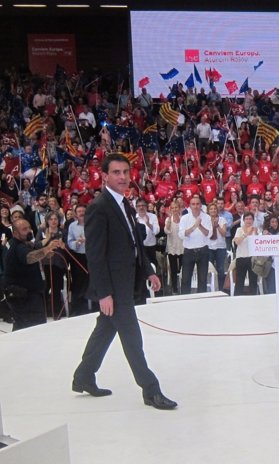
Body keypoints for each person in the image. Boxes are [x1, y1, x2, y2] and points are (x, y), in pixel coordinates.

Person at [72, 154, 176, 410]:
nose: (122, 177)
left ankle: (83, 376)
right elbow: (95, 255)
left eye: (125, 172)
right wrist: (104, 293)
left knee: (105, 329)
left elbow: (134, 244)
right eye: (116, 172)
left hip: (127, 281)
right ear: (105, 176)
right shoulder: (99, 206)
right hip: (113, 288)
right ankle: (151, 390)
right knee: (131, 336)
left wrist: (148, 271)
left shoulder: (124, 203)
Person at [4, 218, 63, 330]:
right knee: (29, 327)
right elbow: (29, 257)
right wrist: (47, 249)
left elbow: (33, 254)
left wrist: (45, 254)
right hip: (23, 296)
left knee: (29, 326)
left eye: (29, 228)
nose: (29, 231)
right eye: (24, 229)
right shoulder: (17, 246)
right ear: (15, 233)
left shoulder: (26, 244)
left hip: (30, 294)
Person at [36, 211, 67, 319]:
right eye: (51, 219)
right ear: (47, 221)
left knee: (56, 288)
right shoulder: (42, 231)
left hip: (59, 263)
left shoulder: (62, 231)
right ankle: (44, 311)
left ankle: (57, 311)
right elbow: (36, 245)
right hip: (46, 263)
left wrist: (63, 245)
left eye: (55, 219)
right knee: (46, 287)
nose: (53, 221)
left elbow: (67, 247)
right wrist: (47, 240)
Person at [178, 195, 211, 294]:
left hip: (203, 251)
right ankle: (185, 302)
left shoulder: (207, 217)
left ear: (201, 205)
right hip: (189, 251)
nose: (195, 206)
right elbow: (181, 234)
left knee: (202, 280)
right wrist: (194, 227)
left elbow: (208, 234)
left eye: (197, 204)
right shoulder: (184, 218)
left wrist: (199, 225)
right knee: (185, 280)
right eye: (193, 204)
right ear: (190, 206)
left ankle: (201, 304)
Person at [67, 204, 90, 316]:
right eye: (79, 211)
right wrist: (77, 243)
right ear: (76, 214)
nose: (81, 213)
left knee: (93, 281)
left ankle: (95, 306)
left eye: (83, 211)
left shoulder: (92, 223)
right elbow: (69, 241)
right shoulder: (72, 226)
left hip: (91, 256)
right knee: (78, 283)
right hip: (78, 257)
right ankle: (78, 309)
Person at [232, 212, 258, 295]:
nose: (248, 221)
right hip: (241, 257)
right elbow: (237, 242)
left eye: (250, 219)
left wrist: (256, 233)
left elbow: (258, 243)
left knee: (253, 280)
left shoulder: (256, 229)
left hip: (252, 258)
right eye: (246, 219)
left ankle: (254, 298)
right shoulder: (239, 230)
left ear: (253, 220)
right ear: (243, 220)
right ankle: (237, 299)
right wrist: (246, 234)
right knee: (239, 281)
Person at [163, 200, 184, 294]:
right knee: (173, 269)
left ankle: (183, 287)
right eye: (173, 208)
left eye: (176, 207)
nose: (175, 209)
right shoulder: (168, 219)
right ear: (170, 209)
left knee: (183, 269)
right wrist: (169, 222)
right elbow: (166, 231)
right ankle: (174, 289)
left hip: (182, 247)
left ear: (179, 209)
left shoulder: (183, 219)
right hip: (172, 247)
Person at [207, 202, 228, 293]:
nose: (213, 210)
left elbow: (224, 234)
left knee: (220, 269)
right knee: (209, 269)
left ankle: (221, 289)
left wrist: (217, 226)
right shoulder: (205, 220)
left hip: (220, 247)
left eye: (215, 209)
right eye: (211, 209)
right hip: (209, 247)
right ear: (208, 211)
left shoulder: (222, 219)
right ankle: (210, 288)